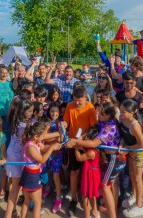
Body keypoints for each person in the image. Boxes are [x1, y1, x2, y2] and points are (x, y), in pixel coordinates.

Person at [66, 102, 125, 218]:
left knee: (105, 187)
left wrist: (76, 142)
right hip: (111, 158)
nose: (99, 115)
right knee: (109, 185)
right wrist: (81, 137)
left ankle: (113, 215)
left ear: (109, 115)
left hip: (113, 159)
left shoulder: (109, 127)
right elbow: (92, 130)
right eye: (99, 112)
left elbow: (93, 143)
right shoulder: (104, 123)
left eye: (102, 114)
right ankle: (111, 210)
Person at [62, 86, 98, 216]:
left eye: (80, 101)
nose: (77, 103)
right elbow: (66, 121)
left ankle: (90, 200)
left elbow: (93, 128)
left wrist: (81, 139)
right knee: (74, 172)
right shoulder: (70, 106)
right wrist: (63, 125)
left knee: (88, 173)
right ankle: (74, 199)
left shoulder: (90, 108)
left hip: (86, 144)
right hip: (73, 143)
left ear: (85, 98)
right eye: (75, 100)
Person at [19, 121, 61, 218]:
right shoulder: (30, 147)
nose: (44, 138)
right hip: (31, 176)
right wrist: (51, 149)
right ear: (36, 136)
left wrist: (54, 146)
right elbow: (42, 160)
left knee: (27, 201)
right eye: (43, 136)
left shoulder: (35, 142)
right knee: (38, 204)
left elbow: (44, 148)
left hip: (29, 174)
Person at [119, 100, 143, 217]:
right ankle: (134, 196)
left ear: (133, 112)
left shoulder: (135, 125)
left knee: (137, 178)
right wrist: (122, 144)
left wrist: (127, 148)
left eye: (124, 112)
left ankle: (139, 206)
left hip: (140, 153)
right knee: (131, 174)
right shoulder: (122, 119)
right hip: (130, 150)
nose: (121, 114)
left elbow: (142, 144)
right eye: (120, 110)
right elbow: (123, 135)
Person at [4, 99, 33, 217]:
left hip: (12, 152)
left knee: (15, 186)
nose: (32, 112)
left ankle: (12, 211)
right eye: (29, 111)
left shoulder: (16, 120)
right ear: (23, 111)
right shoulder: (26, 125)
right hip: (17, 156)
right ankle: (8, 214)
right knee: (16, 188)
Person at [75, 125, 101, 218]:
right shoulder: (96, 148)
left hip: (90, 175)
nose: (85, 137)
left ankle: (86, 215)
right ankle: (95, 210)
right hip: (95, 173)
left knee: (85, 195)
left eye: (87, 136)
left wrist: (76, 148)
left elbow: (79, 158)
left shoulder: (91, 152)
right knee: (93, 193)